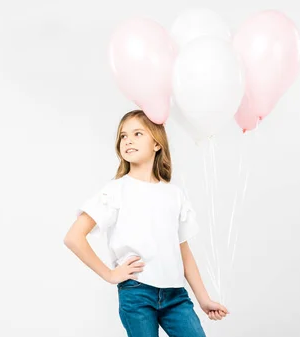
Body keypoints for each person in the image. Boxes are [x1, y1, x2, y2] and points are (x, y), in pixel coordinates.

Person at [63, 110, 229, 336]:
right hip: (137, 294)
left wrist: (203, 299)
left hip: (176, 296)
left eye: (137, 133)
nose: (128, 140)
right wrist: (110, 275)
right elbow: (73, 237)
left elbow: (184, 252)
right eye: (123, 136)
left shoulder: (174, 194)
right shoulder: (115, 190)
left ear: (157, 144)